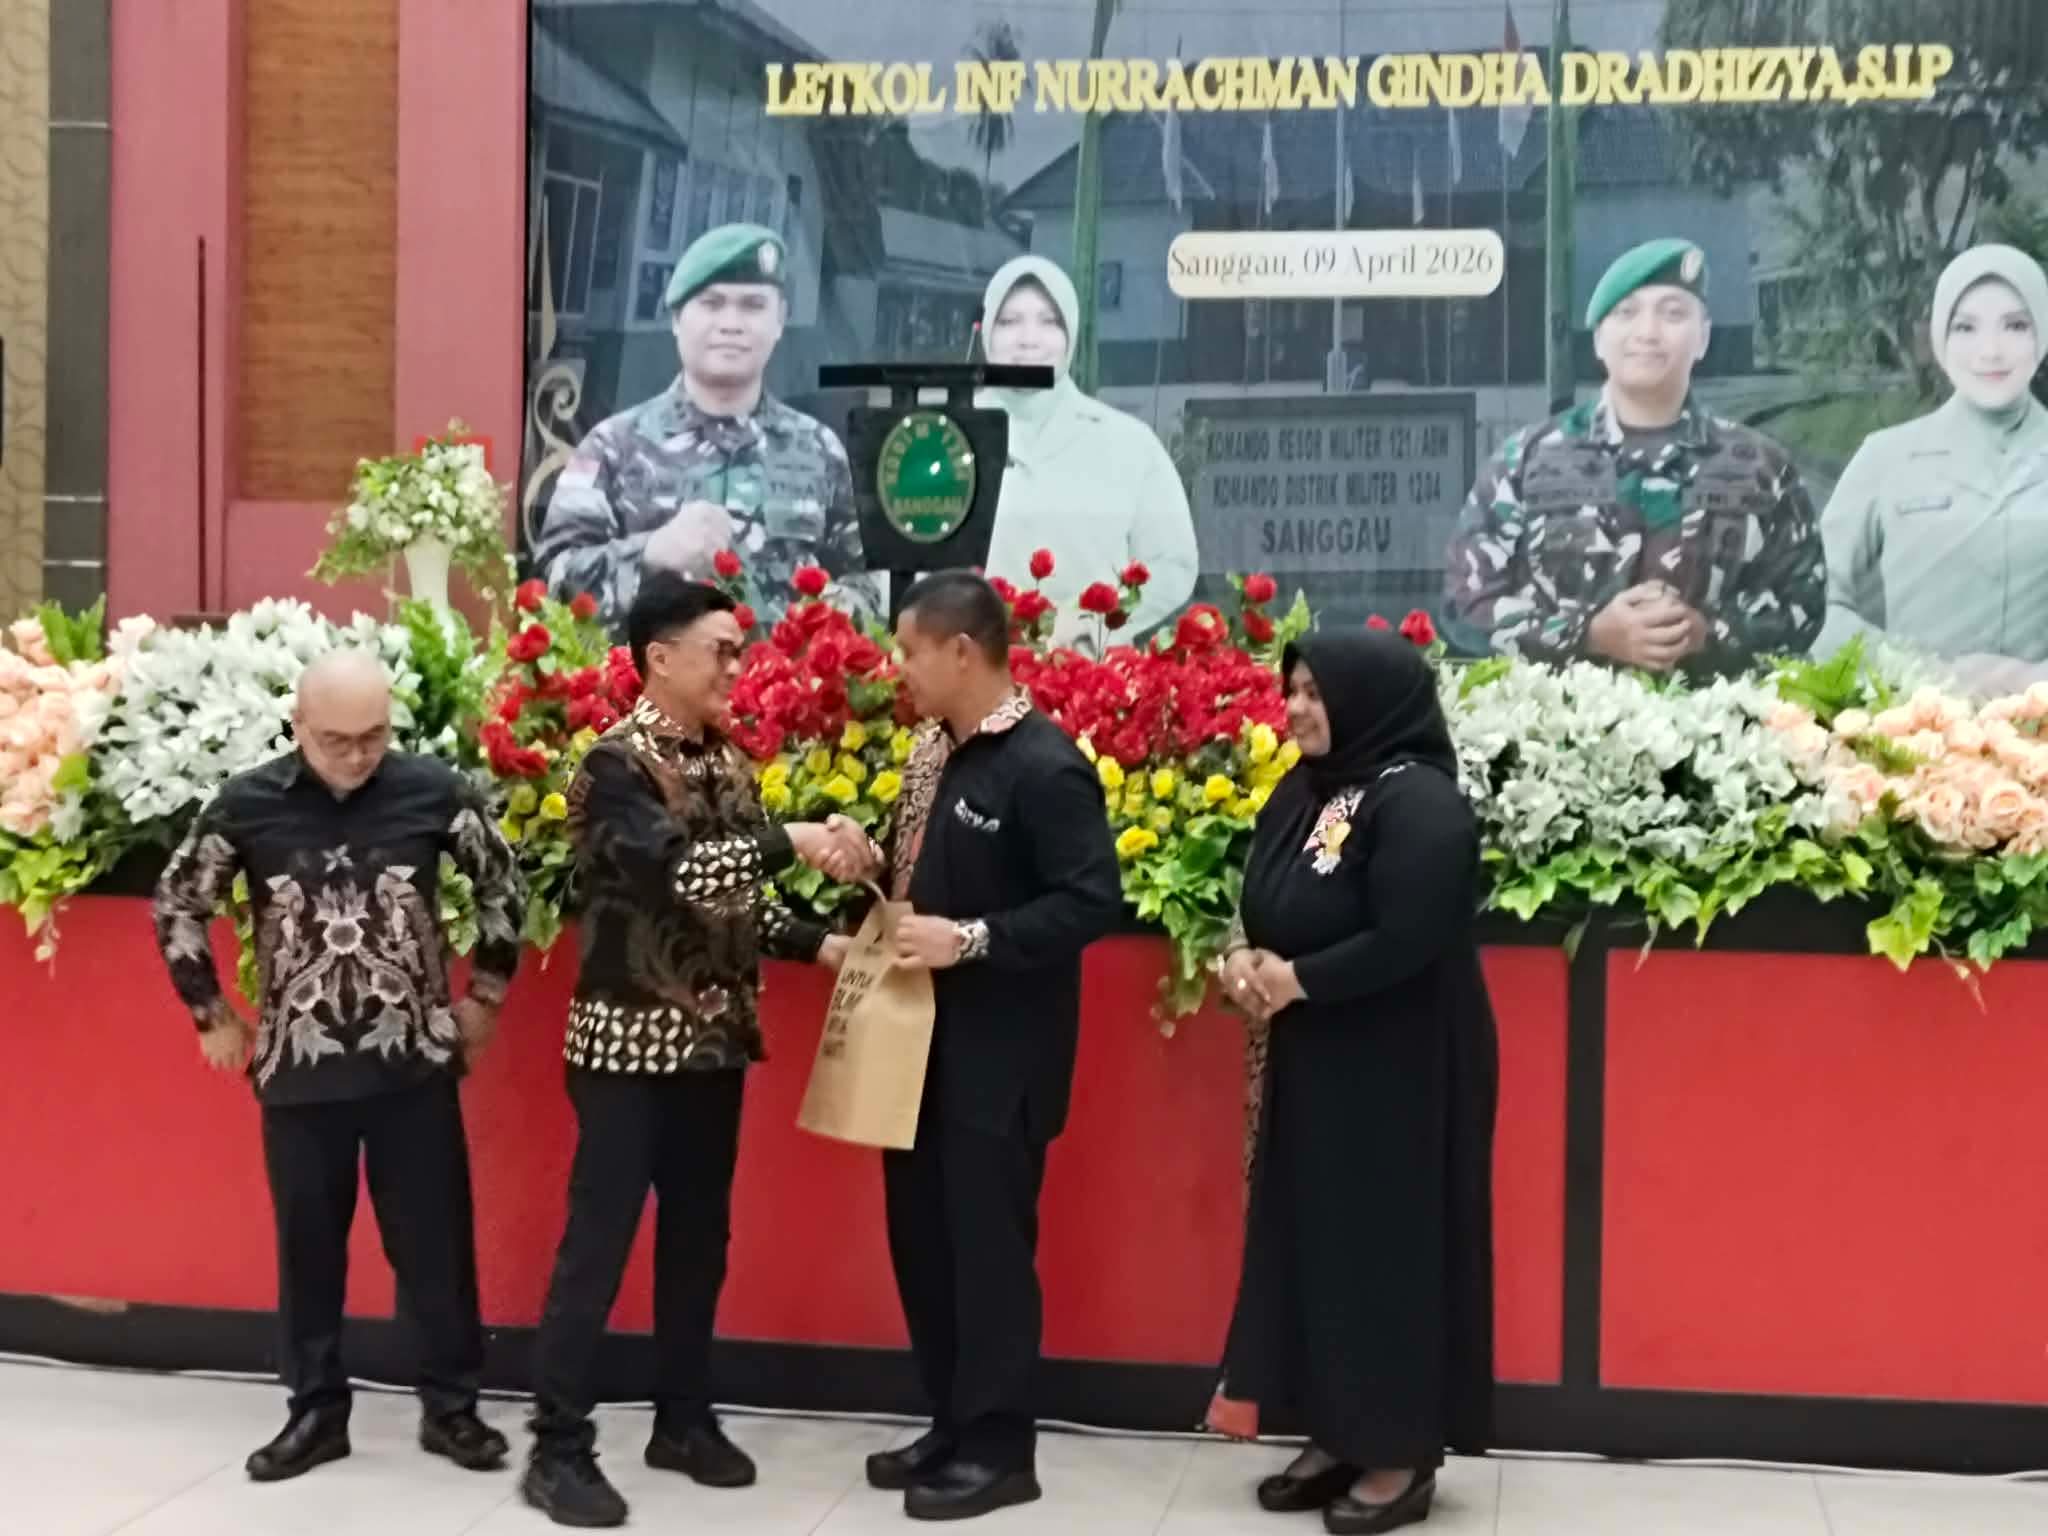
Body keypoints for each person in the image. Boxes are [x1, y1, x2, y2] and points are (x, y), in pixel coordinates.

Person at [520, 573, 875, 1529]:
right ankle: (557, 1446)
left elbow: (737, 900)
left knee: (697, 1242)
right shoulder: (613, 767)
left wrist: (822, 946)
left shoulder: (727, 761)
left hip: (712, 1045)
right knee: (598, 1246)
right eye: (719, 649)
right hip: (624, 1046)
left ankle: (681, 1419)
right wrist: (797, 838)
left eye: (736, 649)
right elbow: (678, 873)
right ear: (659, 657)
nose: (734, 666)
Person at [151, 649, 526, 1484]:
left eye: (373, 737)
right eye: (336, 740)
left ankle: (452, 1409)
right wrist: (210, 1012)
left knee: (435, 1248)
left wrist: (486, 998)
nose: (357, 756)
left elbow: (503, 886)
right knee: (309, 1250)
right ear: (299, 727)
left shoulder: (434, 791)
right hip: (299, 1066)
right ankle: (316, 1411)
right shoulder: (248, 804)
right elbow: (179, 900)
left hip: (413, 1065)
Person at [1216, 632, 1498, 1536]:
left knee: (1389, 1250)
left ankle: (1399, 1452)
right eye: (1293, 689)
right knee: (1321, 1243)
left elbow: (1408, 936)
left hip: (1402, 1067)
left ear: (1370, 699)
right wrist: (1243, 957)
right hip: (1320, 1056)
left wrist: (1298, 980)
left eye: (1315, 692)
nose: (1297, 708)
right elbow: (1265, 899)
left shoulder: (1421, 804)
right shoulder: (1312, 790)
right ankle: (1339, 1430)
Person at [862, 571, 1122, 1520]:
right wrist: (867, 855)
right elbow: (922, 871)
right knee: (923, 1245)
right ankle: (951, 1420)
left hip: (999, 1063)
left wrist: (971, 939)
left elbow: (1091, 901)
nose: (899, 668)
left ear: (962, 652)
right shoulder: (935, 752)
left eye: (910, 650)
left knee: (988, 1257)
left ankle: (1002, 1448)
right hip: (917, 1051)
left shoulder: (1045, 766)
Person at [1445, 237, 1826, 676]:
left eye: (1673, 313)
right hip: (1563, 717)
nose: (1648, 332)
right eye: (1627, 313)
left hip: (1720, 717)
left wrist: (1709, 633)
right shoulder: (1525, 462)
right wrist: (1588, 634)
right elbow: (1464, 607)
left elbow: (1805, 604)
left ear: (1702, 338)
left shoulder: (1761, 468)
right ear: (1599, 340)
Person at [534, 222, 883, 636]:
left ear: (779, 321)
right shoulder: (612, 447)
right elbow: (551, 588)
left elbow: (868, 585)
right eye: (711, 303)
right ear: (677, 319)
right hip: (651, 679)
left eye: (753, 305)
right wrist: (651, 552)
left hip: (784, 676)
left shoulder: (820, 450)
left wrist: (830, 617)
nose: (731, 323)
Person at [1816, 244, 2048, 694]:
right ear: (1941, 341)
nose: (1991, 351)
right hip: (1914, 726)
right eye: (1965, 327)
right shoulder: (1885, 457)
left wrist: (2035, 680)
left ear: (2042, 333)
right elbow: (1815, 604)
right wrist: (1920, 674)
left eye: (2016, 325)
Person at [977, 255, 1199, 646]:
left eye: (1049, 321)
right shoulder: (944, 437)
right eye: (1009, 321)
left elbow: (1172, 564)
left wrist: (1092, 620)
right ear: (986, 332)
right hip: (966, 670)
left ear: (1071, 334)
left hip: (1090, 672)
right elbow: (901, 567)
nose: (1029, 339)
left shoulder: (1129, 444)